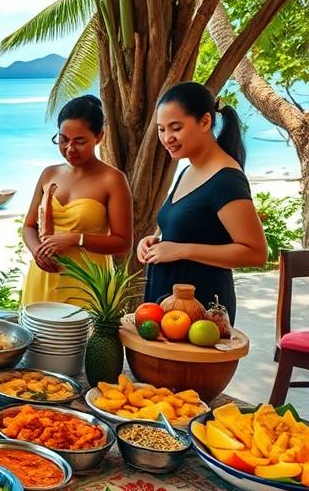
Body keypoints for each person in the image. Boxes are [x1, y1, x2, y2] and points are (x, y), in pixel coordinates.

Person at [139, 82, 268, 324]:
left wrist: (181, 250)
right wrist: (154, 241)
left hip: (201, 314)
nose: (167, 138)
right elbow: (185, 225)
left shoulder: (226, 180)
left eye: (176, 127)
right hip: (168, 308)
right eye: (161, 129)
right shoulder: (188, 170)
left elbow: (256, 253)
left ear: (205, 122)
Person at [21, 95, 133, 304]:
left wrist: (75, 238)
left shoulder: (113, 180)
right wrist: (37, 250)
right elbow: (28, 227)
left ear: (99, 136)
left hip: (88, 282)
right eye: (63, 140)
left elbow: (123, 243)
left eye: (79, 141)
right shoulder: (49, 174)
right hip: (44, 276)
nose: (70, 149)